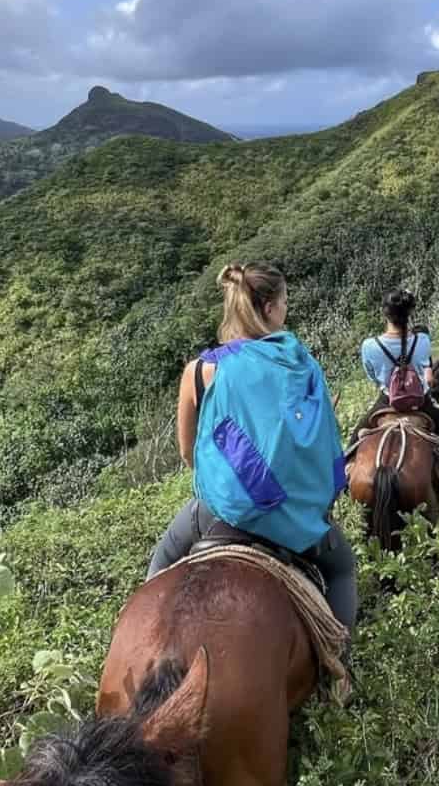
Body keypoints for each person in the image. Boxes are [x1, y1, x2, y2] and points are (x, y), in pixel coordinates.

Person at [147, 263, 358, 632]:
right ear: (268, 309)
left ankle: (144, 640)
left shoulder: (200, 371)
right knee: (342, 569)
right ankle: (340, 674)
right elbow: (321, 439)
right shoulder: (300, 362)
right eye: (285, 301)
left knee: (161, 562)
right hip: (297, 520)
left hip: (221, 513)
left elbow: (188, 454)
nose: (286, 309)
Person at [350, 289, 439, 506]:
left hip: (386, 401)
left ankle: (336, 494)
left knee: (352, 445)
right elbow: (425, 370)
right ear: (410, 314)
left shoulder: (369, 345)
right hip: (421, 403)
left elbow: (372, 375)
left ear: (385, 313)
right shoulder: (422, 341)